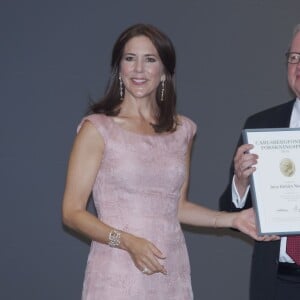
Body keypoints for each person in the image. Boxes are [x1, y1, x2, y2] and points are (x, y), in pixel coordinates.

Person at [62, 23, 272, 300]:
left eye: (150, 60)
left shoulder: (181, 130)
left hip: (170, 269)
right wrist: (126, 241)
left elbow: (177, 207)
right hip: (117, 269)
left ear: (164, 71)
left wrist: (233, 218)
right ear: (119, 68)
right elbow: (72, 212)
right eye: (130, 58)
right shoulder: (97, 129)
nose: (138, 69)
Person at [220, 24, 300, 300]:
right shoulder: (260, 125)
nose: (299, 65)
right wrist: (240, 183)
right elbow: (230, 212)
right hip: (276, 281)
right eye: (294, 57)